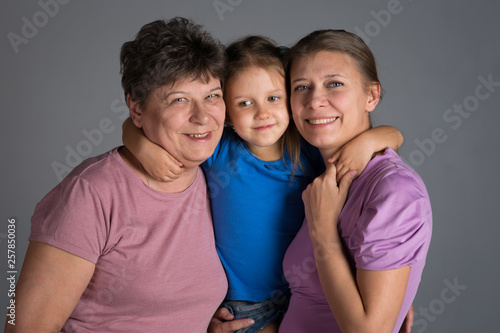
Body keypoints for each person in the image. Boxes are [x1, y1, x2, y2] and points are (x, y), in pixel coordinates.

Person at [123, 35, 404, 333]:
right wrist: (143, 148)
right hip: (245, 305)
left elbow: (394, 135)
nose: (262, 113)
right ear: (227, 113)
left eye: (273, 98)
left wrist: (369, 141)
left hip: (308, 292)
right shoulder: (219, 150)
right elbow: (135, 122)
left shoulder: (308, 148)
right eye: (245, 103)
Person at [5, 18, 237, 333]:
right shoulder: (91, 193)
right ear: (136, 108)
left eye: (212, 96)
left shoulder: (217, 175)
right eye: (179, 99)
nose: (202, 116)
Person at [279, 29, 432, 333]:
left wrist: (322, 228)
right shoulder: (312, 169)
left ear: (371, 95)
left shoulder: (393, 191)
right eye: (301, 87)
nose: (315, 101)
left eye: (334, 84)